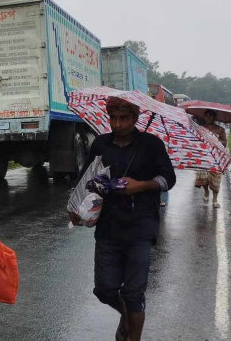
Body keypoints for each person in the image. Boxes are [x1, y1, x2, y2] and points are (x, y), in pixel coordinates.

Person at [69, 97, 176, 341]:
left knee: (134, 292)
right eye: (113, 118)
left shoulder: (152, 145)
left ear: (135, 119)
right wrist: (75, 205)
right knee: (104, 289)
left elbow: (168, 179)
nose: (117, 123)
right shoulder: (100, 144)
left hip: (141, 226)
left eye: (124, 118)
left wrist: (141, 185)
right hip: (108, 227)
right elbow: (86, 176)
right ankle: (125, 313)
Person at [193, 109, 227, 208]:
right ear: (204, 117)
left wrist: (215, 139)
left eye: (210, 116)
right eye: (206, 116)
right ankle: (206, 191)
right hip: (204, 155)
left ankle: (215, 200)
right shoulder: (200, 129)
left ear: (214, 117)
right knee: (204, 177)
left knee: (216, 178)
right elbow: (196, 141)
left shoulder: (220, 130)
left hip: (216, 157)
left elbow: (224, 143)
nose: (208, 118)